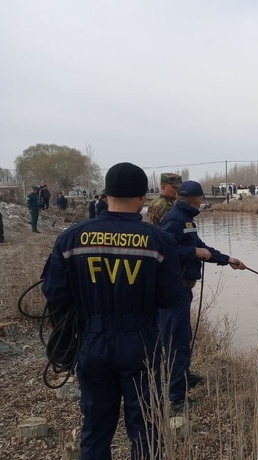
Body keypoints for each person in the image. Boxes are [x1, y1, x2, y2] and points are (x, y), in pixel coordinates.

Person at [40, 162, 184, 459]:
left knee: (95, 428)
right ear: (144, 197)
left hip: (92, 342)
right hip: (141, 343)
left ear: (105, 195)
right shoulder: (157, 241)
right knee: (146, 428)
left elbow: (54, 293)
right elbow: (172, 298)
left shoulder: (71, 238)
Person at [159, 180, 246, 410]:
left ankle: (184, 376)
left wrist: (227, 260)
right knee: (176, 342)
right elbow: (164, 251)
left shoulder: (186, 219)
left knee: (184, 337)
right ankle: (177, 400)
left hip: (183, 289)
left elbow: (202, 247)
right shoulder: (175, 219)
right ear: (197, 200)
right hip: (173, 289)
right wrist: (193, 251)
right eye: (200, 201)